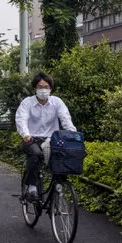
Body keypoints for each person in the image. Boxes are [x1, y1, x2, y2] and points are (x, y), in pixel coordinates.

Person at [15, 72, 76, 201]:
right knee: (36, 154)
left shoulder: (57, 102)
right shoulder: (27, 102)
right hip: (32, 139)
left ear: (51, 89)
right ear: (35, 89)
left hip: (52, 139)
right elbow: (21, 119)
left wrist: (72, 133)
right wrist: (26, 135)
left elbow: (65, 118)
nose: (43, 90)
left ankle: (59, 183)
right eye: (40, 87)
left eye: (46, 87)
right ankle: (32, 187)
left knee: (63, 156)